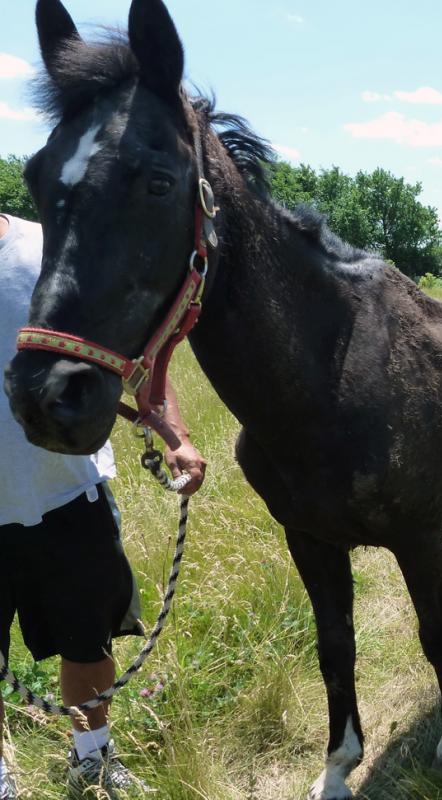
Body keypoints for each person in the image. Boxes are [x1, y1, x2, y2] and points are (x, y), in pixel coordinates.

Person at [0, 212, 206, 799]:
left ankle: (90, 758)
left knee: (87, 642)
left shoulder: (53, 251)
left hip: (68, 495)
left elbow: (132, 362)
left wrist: (177, 439)